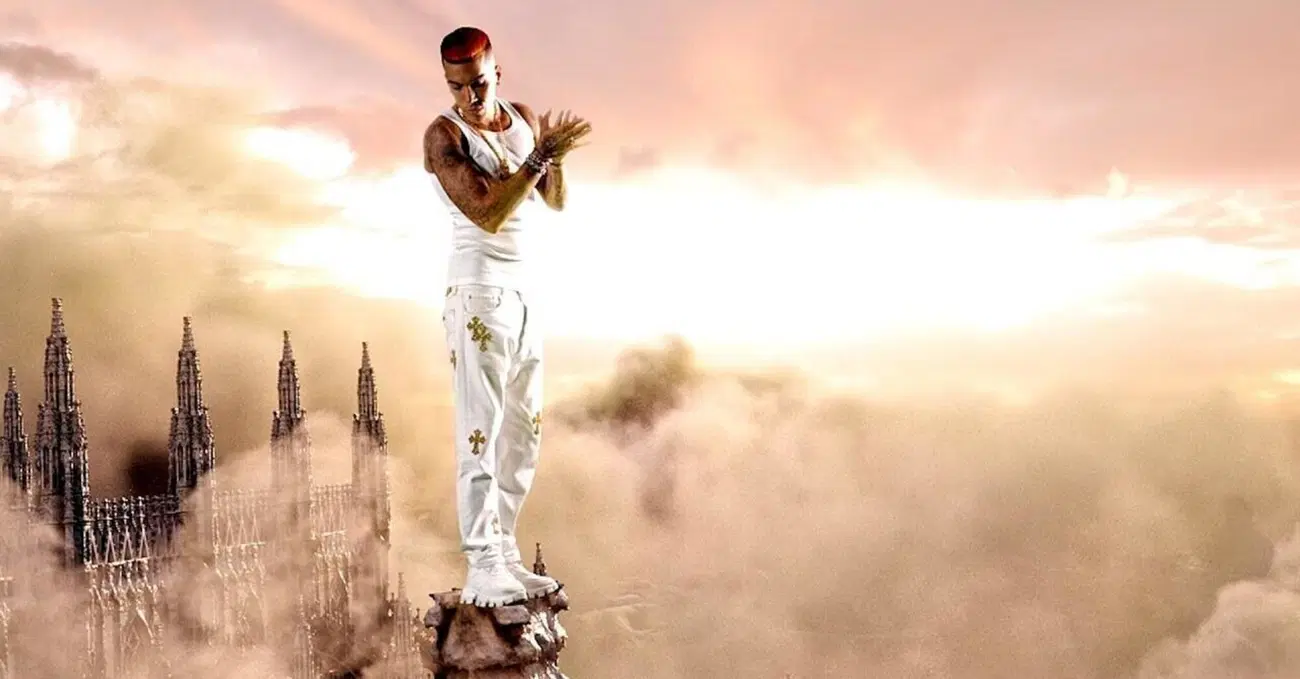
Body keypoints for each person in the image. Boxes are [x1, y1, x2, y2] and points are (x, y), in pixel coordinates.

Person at [423, 26, 592, 607]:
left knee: (523, 433)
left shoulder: (522, 120)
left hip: (524, 294)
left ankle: (506, 552)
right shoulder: (444, 135)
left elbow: (555, 200)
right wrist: (539, 158)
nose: (469, 96)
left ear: (497, 74)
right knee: (481, 432)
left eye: (477, 83)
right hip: (478, 293)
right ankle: (482, 563)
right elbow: (488, 213)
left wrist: (553, 156)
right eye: (456, 86)